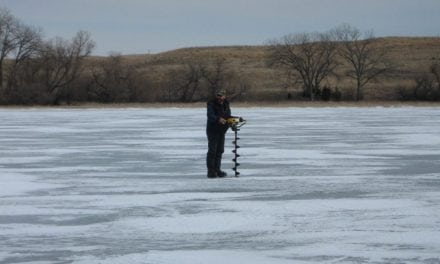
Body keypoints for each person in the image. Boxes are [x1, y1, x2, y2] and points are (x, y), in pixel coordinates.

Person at [206, 89, 232, 178]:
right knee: (212, 151)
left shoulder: (226, 104)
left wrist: (235, 120)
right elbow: (210, 116)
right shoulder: (211, 104)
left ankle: (217, 170)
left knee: (220, 150)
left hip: (222, 130)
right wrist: (218, 119)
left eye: (221, 96)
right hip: (212, 130)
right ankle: (211, 171)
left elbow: (228, 116)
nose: (219, 97)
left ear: (224, 96)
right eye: (218, 95)